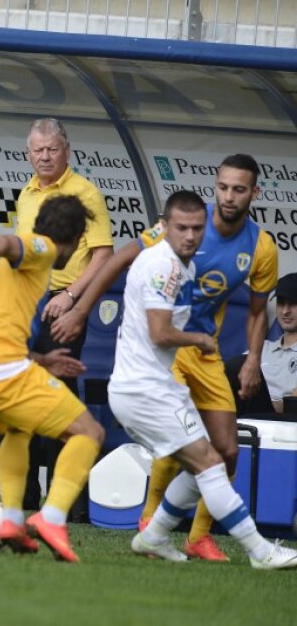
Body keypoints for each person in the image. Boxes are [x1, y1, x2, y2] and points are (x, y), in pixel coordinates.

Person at [56, 154, 276, 562]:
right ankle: (150, 520)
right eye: (223, 187)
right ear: (215, 185)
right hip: (169, 349)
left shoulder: (261, 246)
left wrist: (252, 360)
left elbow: (260, 311)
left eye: (239, 189)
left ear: (254, 193)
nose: (229, 197)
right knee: (183, 442)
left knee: (226, 451)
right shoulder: (184, 225)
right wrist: (79, 308)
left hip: (204, 350)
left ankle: (195, 536)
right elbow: (121, 257)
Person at [112, 190, 297, 569]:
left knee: (216, 457)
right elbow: (161, 333)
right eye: (182, 228)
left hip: (159, 384)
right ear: (164, 227)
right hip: (142, 390)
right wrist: (197, 338)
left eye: (198, 228)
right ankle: (259, 551)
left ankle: (156, 533)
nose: (191, 236)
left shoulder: (186, 268)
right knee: (211, 464)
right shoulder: (162, 265)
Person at [0, 195, 105, 563]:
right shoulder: (42, 248)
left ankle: (12, 519)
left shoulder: (5, 276)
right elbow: (4, 242)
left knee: (19, 429)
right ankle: (52, 517)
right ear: (76, 237)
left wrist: (41, 360)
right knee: (89, 433)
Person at [17, 118, 114, 380]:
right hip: (27, 302)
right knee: (22, 382)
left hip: (62, 304)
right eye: (39, 150)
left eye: (53, 149)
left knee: (56, 384)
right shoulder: (26, 192)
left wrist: (69, 297)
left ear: (67, 151)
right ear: (29, 155)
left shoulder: (86, 192)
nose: (45, 157)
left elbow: (104, 255)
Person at [262, 272, 297, 413]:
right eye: (281, 303)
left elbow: (293, 405)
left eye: (293, 304)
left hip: (283, 423)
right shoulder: (262, 348)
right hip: (245, 422)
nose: (285, 311)